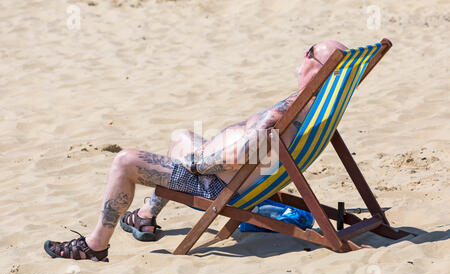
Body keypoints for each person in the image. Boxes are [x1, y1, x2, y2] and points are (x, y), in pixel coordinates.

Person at [44, 40, 348, 262]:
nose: (303, 54)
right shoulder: (316, 106)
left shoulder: (285, 114)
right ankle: (146, 215)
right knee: (181, 136)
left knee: (125, 161)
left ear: (317, 67)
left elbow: (240, 155)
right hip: (240, 179)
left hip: (216, 185)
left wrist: (198, 163)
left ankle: (95, 245)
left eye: (309, 51)